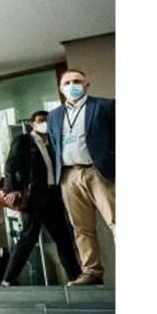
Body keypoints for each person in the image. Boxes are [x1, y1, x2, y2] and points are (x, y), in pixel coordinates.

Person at [47, 69, 115, 286]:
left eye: (77, 81)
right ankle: (92, 272)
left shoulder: (105, 106)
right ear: (60, 88)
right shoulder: (54, 115)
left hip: (99, 172)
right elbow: (55, 145)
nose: (72, 85)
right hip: (69, 176)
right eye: (67, 82)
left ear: (87, 85)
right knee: (81, 228)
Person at [0, 111, 83, 286]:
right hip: (34, 197)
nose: (45, 123)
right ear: (32, 124)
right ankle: (7, 279)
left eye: (47, 121)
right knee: (28, 237)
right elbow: (10, 166)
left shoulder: (53, 143)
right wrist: (10, 190)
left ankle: (76, 277)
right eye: (41, 121)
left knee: (64, 238)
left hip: (53, 197)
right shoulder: (24, 140)